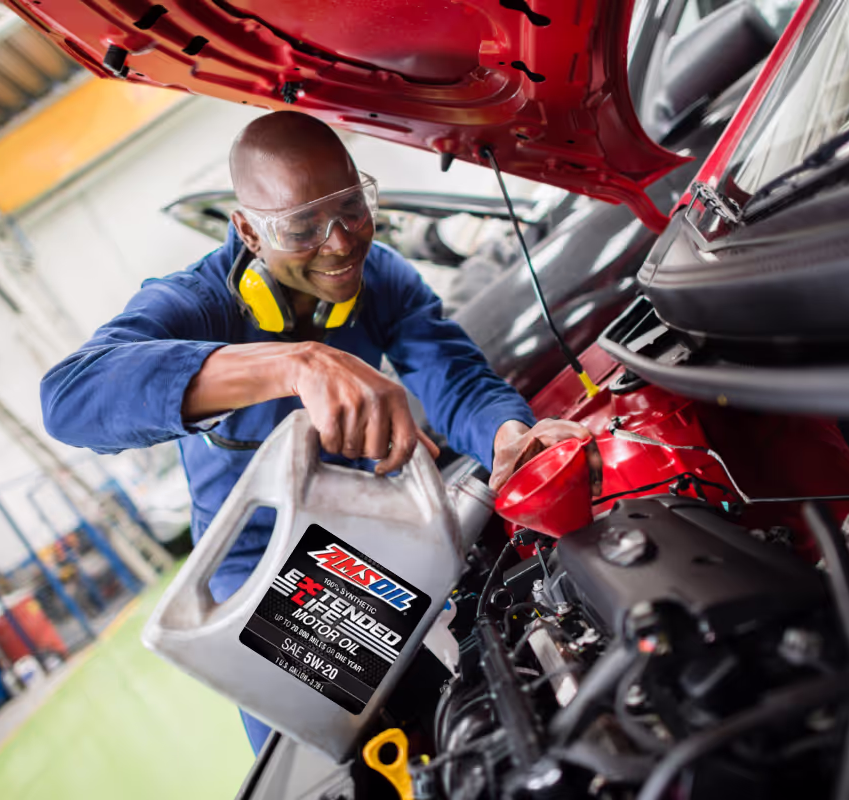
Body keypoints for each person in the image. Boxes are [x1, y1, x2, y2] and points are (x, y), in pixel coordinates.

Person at [40, 111, 590, 753]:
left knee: (447, 720)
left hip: (372, 545)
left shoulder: (380, 279)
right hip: (260, 574)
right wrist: (295, 363)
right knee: (334, 762)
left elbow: (455, 377)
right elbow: (70, 397)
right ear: (247, 230)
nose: (339, 243)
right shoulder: (199, 303)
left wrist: (504, 434)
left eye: (352, 208)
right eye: (301, 228)